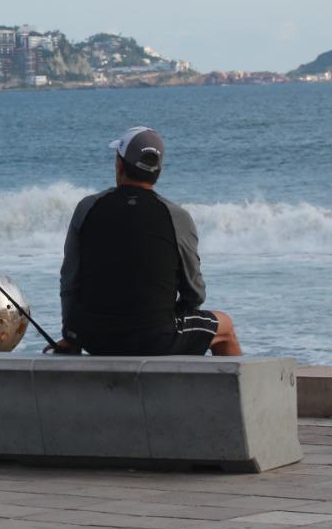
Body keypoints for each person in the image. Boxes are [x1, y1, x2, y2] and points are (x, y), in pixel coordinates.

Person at [54, 126, 241, 357]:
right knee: (226, 327)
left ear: (120, 166)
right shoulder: (176, 216)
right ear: (158, 171)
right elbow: (195, 292)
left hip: (94, 338)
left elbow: (70, 280)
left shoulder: (87, 207)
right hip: (155, 339)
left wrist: (72, 335)